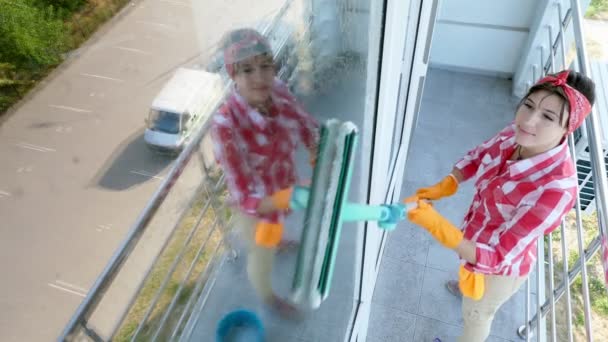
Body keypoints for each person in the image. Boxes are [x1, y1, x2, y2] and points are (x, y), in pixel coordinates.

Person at [406, 69, 595, 341]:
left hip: (500, 269)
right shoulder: (515, 134)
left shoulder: (556, 190)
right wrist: (449, 181)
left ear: (568, 127)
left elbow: (497, 257)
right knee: (468, 287)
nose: (529, 120)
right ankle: (465, 283)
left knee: (476, 315)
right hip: (477, 234)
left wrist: (438, 227)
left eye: (547, 116)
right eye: (528, 105)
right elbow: (480, 155)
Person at [211, 28, 319, 316]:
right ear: (233, 75)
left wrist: (313, 149)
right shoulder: (225, 125)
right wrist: (295, 196)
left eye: (265, 65)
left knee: (277, 230)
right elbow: (246, 196)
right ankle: (268, 296)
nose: (259, 77)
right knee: (263, 255)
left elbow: (302, 120)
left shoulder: (279, 90)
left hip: (283, 185)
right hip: (258, 210)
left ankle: (280, 238)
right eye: (247, 70)